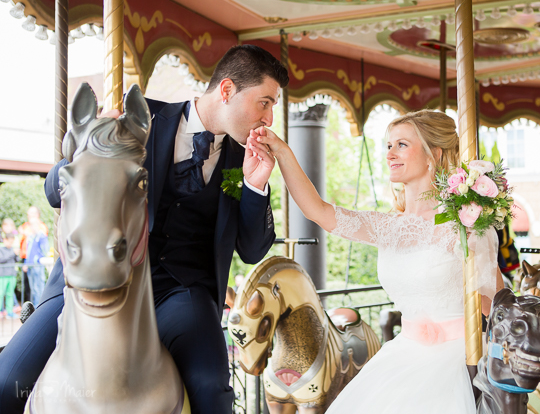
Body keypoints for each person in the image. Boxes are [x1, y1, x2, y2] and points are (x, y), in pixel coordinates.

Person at [0, 44, 288, 414]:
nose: (268, 118)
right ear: (228, 90)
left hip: (179, 292)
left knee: (209, 385)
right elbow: (55, 190)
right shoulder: (141, 120)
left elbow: (250, 250)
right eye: (264, 102)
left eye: (273, 107)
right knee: (9, 382)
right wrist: (88, 147)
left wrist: (254, 186)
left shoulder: (237, 161)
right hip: (92, 275)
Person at [249, 110, 503, 413]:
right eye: (388, 146)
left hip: (458, 357)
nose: (390, 154)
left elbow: (497, 303)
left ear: (433, 154)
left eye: (402, 145)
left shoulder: (464, 224)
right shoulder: (387, 226)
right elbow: (318, 210)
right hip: (404, 353)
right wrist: (282, 152)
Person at [19, 207, 48, 307]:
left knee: (39, 287)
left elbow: (45, 250)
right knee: (33, 288)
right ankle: (36, 306)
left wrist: (37, 259)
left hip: (37, 265)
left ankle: (40, 307)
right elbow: (28, 251)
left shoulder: (42, 236)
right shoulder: (31, 237)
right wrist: (26, 263)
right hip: (30, 265)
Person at [0, 233, 18, 318]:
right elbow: (2, 259)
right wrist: (13, 253)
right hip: (3, 275)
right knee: (1, 293)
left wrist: (17, 254)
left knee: (10, 294)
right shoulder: (1, 249)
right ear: (5, 240)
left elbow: (17, 260)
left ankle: (9, 311)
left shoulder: (12, 249)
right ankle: (0, 310)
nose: (10, 244)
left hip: (11, 274)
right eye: (9, 241)